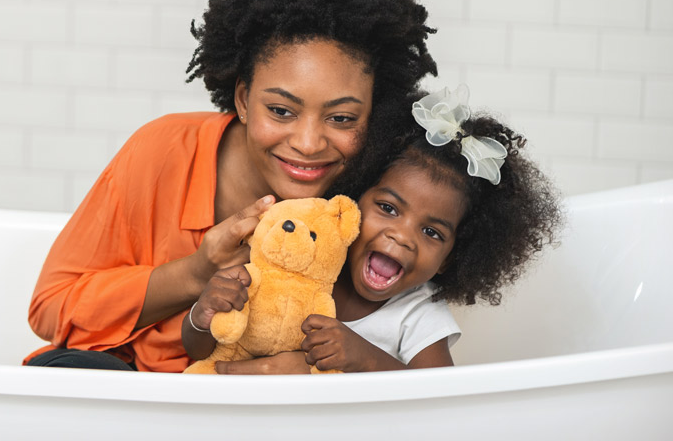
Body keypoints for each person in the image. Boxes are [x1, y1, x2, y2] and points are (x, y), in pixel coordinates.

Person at [25, 0, 437, 372]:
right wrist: (195, 273)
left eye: (342, 119)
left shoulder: (373, 192)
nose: (310, 143)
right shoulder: (163, 150)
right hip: (132, 391)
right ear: (242, 98)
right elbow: (51, 309)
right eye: (281, 111)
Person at [183, 85, 562, 373]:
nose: (402, 235)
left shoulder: (417, 315)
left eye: (432, 233)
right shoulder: (301, 264)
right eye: (387, 208)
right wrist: (203, 314)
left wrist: (364, 358)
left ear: (451, 258)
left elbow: (438, 404)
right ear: (353, 200)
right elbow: (200, 349)